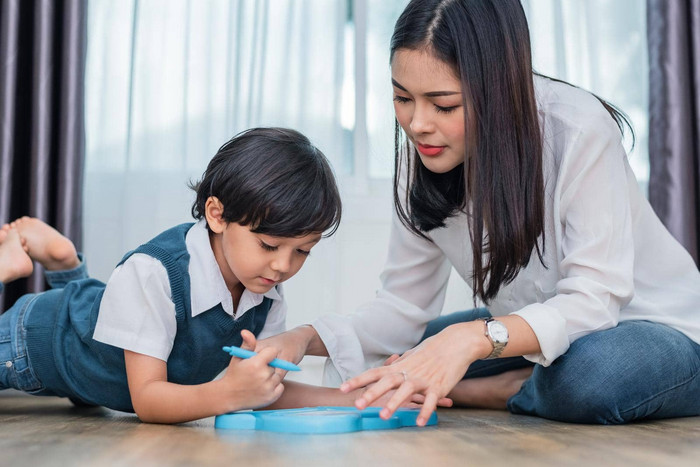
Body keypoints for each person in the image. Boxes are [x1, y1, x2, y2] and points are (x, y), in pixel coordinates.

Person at [259, 0, 700, 426]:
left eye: (444, 105)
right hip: (539, 329)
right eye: (402, 98)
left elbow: (595, 301)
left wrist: (471, 339)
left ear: (499, 89)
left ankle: (504, 391)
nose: (417, 124)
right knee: (411, 353)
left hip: (653, 328)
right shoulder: (425, 154)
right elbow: (400, 310)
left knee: (591, 377)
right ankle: (529, 383)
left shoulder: (577, 129)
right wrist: (301, 339)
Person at [0, 127, 358, 424]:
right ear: (217, 215)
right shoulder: (153, 272)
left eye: (302, 251)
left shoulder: (265, 288)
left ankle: (66, 265)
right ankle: (13, 266)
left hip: (92, 372)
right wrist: (227, 392)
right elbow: (149, 400)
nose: (283, 266)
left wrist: (358, 398)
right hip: (32, 341)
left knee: (95, 337)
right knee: (83, 334)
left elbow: (266, 388)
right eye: (268, 245)